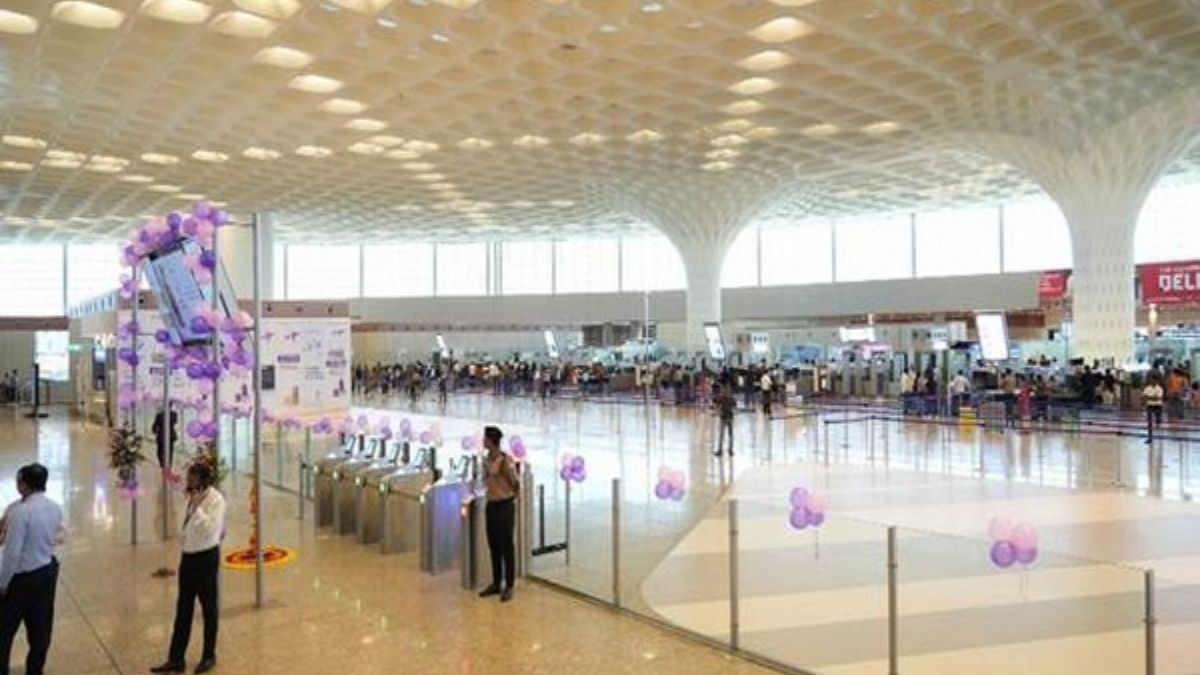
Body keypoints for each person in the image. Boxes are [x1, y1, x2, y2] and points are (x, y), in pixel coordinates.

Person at [152, 463, 227, 674]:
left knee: (209, 608)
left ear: (203, 480)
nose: (188, 482)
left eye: (192, 479)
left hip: (206, 557)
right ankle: (176, 658)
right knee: (183, 608)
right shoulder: (190, 495)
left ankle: (208, 655)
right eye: (188, 478)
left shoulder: (216, 500)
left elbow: (211, 529)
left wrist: (197, 508)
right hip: (188, 557)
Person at [0, 464, 64, 675]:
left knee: (4, 629)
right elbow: (57, 537)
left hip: (22, 578)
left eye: (18, 481)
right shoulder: (55, 507)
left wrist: (3, 583)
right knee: (40, 628)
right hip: (46, 571)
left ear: (24, 485)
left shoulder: (20, 512)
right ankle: (35, 670)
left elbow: (12, 553)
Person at [478, 426, 519, 602]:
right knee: (493, 545)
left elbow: (515, 483)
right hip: (491, 505)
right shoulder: (486, 459)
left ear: (491, 441)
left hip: (504, 506)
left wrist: (508, 497)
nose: (483, 441)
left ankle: (509, 585)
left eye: (485, 438)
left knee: (506, 547)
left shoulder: (505, 461)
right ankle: (496, 582)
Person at [714, 384, 736, 457]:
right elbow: (715, 402)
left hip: (727, 418)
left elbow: (734, 407)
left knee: (726, 435)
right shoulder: (724, 398)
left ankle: (726, 450)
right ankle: (726, 450)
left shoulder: (727, 398)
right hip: (726, 418)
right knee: (726, 435)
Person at [1143, 376, 1165, 445]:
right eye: (1152, 380)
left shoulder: (1160, 388)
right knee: (1149, 423)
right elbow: (1144, 397)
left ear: (1157, 381)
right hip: (1149, 406)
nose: (1153, 381)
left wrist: (1149, 397)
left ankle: (1158, 422)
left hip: (1158, 406)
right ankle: (1150, 438)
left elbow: (1159, 398)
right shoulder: (1147, 388)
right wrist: (1153, 397)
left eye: (1154, 380)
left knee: (1158, 421)